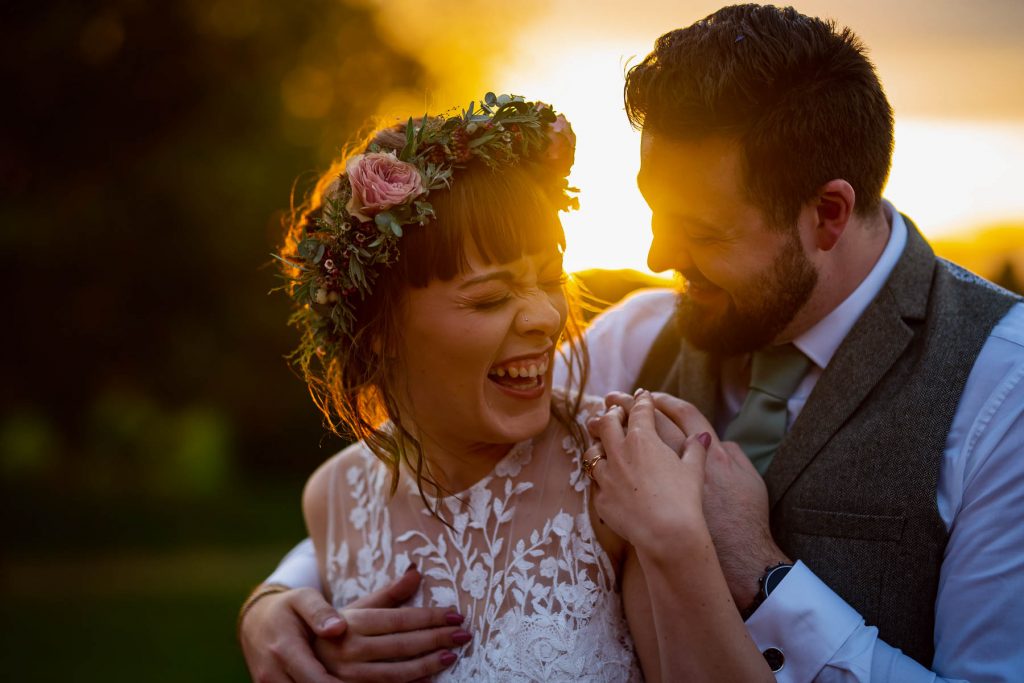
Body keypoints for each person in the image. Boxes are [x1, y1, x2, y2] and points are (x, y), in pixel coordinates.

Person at [242, 6, 1024, 682]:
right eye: (655, 211)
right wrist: (280, 602)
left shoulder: (1001, 385)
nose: (657, 256)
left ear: (826, 214)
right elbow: (437, 449)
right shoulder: (641, 336)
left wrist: (757, 571)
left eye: (701, 230)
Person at [246, 93, 773, 682]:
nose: (545, 319)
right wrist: (271, 615)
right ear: (379, 333)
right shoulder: (333, 496)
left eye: (549, 280)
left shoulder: (622, 473)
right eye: (490, 298)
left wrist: (678, 544)